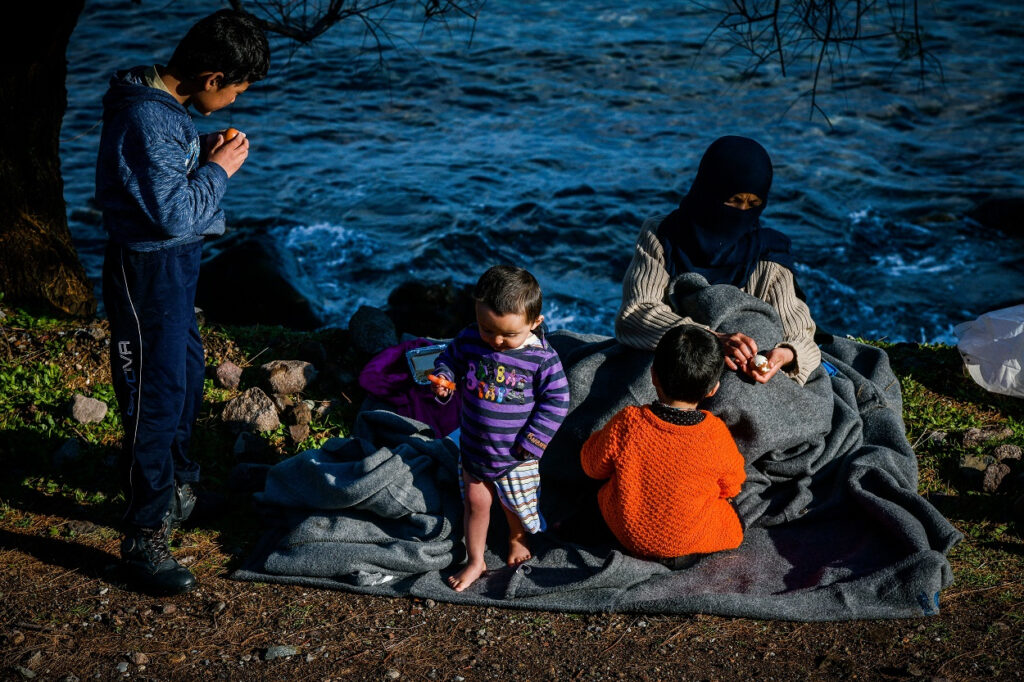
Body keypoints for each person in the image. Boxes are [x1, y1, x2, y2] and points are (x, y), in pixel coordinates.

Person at [96, 10, 270, 595]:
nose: (238, 98)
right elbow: (171, 212)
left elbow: (161, 172)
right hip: (148, 270)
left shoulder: (162, 110)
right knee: (155, 396)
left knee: (187, 376)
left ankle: (179, 492)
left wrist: (198, 147)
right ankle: (143, 535)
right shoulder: (147, 115)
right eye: (238, 88)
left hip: (172, 268)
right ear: (211, 75)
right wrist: (218, 170)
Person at [616, 135, 821, 385]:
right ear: (708, 191)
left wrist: (785, 355)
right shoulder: (663, 236)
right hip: (668, 366)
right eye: (734, 200)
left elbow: (801, 333)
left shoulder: (767, 254)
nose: (742, 212)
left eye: (753, 204)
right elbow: (636, 313)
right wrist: (711, 340)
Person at [431, 265, 570, 591]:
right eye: (486, 328)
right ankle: (475, 559)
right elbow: (448, 359)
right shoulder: (469, 339)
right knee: (475, 504)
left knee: (515, 505)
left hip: (517, 454)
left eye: (509, 335)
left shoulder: (541, 358)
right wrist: (445, 379)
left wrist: (534, 440)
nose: (496, 340)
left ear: (535, 323)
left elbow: (558, 400)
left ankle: (517, 537)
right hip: (475, 448)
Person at [581, 325, 746, 567]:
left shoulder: (629, 422)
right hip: (689, 545)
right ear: (713, 389)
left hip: (627, 535)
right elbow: (732, 486)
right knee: (734, 521)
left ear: (653, 375)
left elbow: (592, 467)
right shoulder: (715, 434)